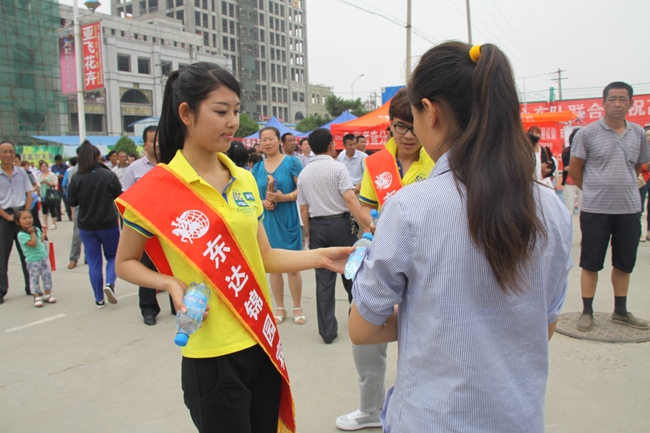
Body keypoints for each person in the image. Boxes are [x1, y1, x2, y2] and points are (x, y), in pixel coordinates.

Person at [113, 62, 351, 433]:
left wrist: (321, 256)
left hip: (260, 340)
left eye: (237, 111)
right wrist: (170, 284)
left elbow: (266, 256)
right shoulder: (156, 189)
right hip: (210, 354)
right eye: (221, 111)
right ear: (186, 113)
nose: (232, 122)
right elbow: (125, 263)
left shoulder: (242, 178)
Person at [348, 41, 573, 432]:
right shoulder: (551, 208)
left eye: (413, 116)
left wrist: (431, 314)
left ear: (430, 112)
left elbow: (362, 327)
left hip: (434, 418)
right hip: (518, 418)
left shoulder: (410, 208)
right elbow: (545, 324)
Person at [337, 87, 435, 431]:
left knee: (426, 333)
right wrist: (372, 223)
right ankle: (370, 408)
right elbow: (365, 205)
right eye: (399, 126)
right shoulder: (375, 162)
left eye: (413, 126)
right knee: (365, 328)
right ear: (389, 125)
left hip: (428, 264)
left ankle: (420, 409)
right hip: (383, 259)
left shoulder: (439, 159)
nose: (408, 135)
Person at [569, 81, 650, 331]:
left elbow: (637, 167)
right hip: (596, 210)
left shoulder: (637, 133)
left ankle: (621, 311)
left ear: (631, 104)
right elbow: (575, 168)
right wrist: (594, 190)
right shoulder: (587, 133)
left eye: (623, 99)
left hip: (628, 209)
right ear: (603, 103)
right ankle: (587, 311)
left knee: (624, 263)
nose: (617, 103)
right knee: (590, 262)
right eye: (612, 99)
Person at [298, 128, 364, 343]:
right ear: (330, 145)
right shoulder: (338, 167)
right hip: (341, 225)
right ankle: (358, 321)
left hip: (317, 227)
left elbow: (304, 209)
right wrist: (367, 223)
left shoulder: (304, 173)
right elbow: (351, 199)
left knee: (323, 281)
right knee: (351, 275)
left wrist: (309, 233)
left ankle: (327, 332)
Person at [252, 127, 305, 325]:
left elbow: (303, 189)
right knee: (273, 267)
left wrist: (285, 197)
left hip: (288, 219)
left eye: (271, 139)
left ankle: (298, 306)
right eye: (263, 139)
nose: (267, 143)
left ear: (279, 141)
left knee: (292, 267)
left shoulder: (292, 162)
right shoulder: (256, 168)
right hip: (266, 222)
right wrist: (261, 202)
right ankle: (280, 307)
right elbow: (251, 195)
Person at [123, 125, 175, 326]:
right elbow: (125, 198)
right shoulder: (135, 168)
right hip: (145, 228)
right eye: (153, 140)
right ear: (145, 144)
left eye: (160, 139)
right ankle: (149, 309)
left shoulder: (173, 164)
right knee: (146, 267)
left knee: (174, 266)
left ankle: (176, 305)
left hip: (171, 226)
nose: (158, 144)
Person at [67, 141, 122, 308]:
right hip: (108, 224)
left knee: (94, 262)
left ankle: (99, 299)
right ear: (99, 157)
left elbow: (72, 201)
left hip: (86, 226)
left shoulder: (76, 177)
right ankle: (110, 284)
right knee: (113, 256)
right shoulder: (109, 175)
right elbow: (119, 196)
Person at [0, 141, 33, 302]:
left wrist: (25, 214)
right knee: (2, 255)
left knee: (27, 254)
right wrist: (6, 216)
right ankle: (1, 291)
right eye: (4, 151)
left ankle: (31, 287)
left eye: (11, 151)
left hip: (21, 215)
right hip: (4, 217)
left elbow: (29, 193)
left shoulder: (21, 172)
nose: (8, 154)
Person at [15, 210, 56, 307]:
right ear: (18, 222)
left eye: (30, 217)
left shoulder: (35, 229)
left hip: (43, 257)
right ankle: (37, 296)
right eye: (24, 218)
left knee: (47, 276)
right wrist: (32, 233)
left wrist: (43, 233)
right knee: (34, 278)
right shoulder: (21, 235)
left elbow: (39, 241)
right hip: (33, 260)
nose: (28, 220)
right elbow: (32, 244)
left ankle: (47, 294)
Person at [64, 149, 83, 269]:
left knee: (91, 235)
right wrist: (72, 212)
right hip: (79, 207)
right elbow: (72, 193)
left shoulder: (95, 169)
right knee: (77, 234)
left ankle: (88, 258)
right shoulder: (73, 171)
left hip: (93, 206)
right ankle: (74, 258)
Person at [562, 129, 583, 214]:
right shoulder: (567, 150)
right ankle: (567, 227)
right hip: (569, 183)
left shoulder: (586, 150)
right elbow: (566, 167)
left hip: (583, 183)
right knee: (568, 209)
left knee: (584, 210)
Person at [37, 160, 59, 230]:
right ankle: (45, 224)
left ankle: (54, 223)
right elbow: (37, 184)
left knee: (52, 208)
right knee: (44, 210)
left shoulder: (51, 174)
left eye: (44, 166)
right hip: (43, 195)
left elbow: (55, 183)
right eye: (42, 166)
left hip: (50, 194)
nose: (43, 168)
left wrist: (49, 183)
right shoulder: (39, 175)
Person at [51, 155, 70, 221]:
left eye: (58, 162)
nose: (57, 163)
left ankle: (70, 216)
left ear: (61, 161)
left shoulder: (65, 167)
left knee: (66, 203)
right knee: (57, 203)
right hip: (56, 187)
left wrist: (62, 176)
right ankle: (58, 217)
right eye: (56, 162)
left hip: (63, 187)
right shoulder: (53, 167)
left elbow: (68, 175)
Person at [641, 125, 650, 241]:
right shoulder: (639, 148)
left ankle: (649, 232)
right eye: (647, 135)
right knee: (639, 206)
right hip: (642, 179)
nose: (649, 138)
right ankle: (639, 233)